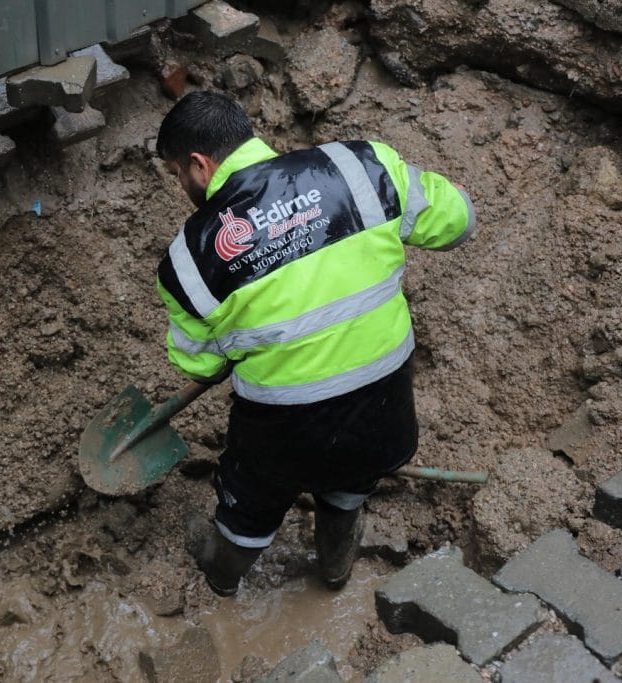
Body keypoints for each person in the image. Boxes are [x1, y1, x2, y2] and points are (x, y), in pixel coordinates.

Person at [155, 91, 475, 596]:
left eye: (178, 173)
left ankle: (222, 576)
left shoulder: (187, 260)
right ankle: (335, 567)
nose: (182, 186)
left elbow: (197, 363)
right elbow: (457, 223)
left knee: (251, 504)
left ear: (199, 164)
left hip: (283, 432)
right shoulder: (360, 166)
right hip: (384, 409)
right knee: (351, 482)